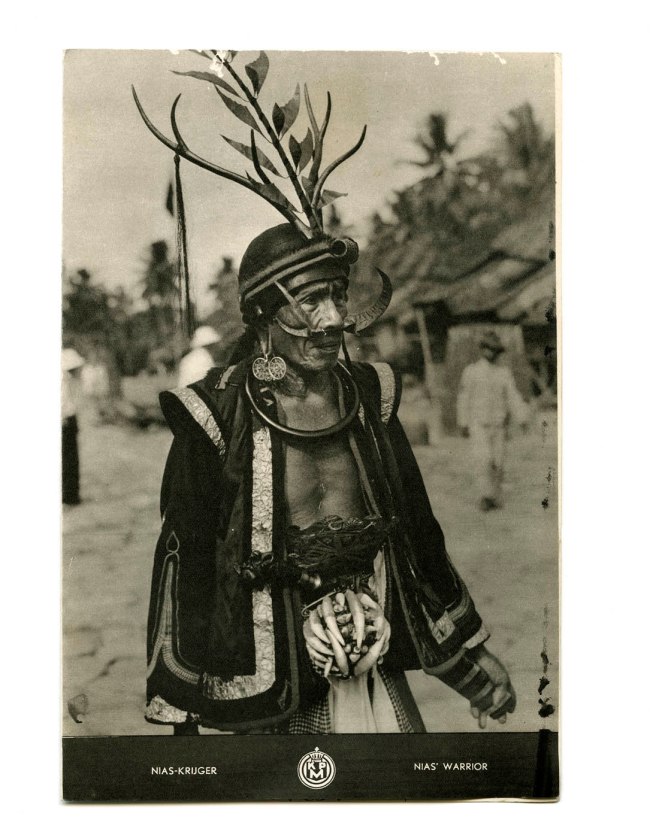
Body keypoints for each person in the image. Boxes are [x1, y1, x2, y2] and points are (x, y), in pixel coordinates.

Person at [135, 51, 515, 735]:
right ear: (261, 316)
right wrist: (182, 704)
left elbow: (418, 536)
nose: (333, 320)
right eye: (309, 302)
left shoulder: (370, 397)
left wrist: (468, 657)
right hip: (258, 676)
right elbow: (186, 560)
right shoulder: (215, 415)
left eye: (336, 297)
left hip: (371, 662)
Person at [457, 330, 529, 511]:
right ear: (482, 350)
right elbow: (464, 397)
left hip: (498, 424)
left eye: (495, 349)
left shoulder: (503, 373)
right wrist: (463, 421)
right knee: (483, 459)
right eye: (488, 348)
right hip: (478, 424)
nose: (491, 353)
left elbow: (512, 396)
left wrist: (521, 417)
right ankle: (485, 496)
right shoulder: (471, 372)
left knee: (498, 462)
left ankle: (495, 496)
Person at [62, 348, 85, 506]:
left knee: (71, 459)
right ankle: (69, 496)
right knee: (68, 459)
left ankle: (72, 494)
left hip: (69, 418)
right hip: (65, 420)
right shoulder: (62, 382)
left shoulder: (70, 381)